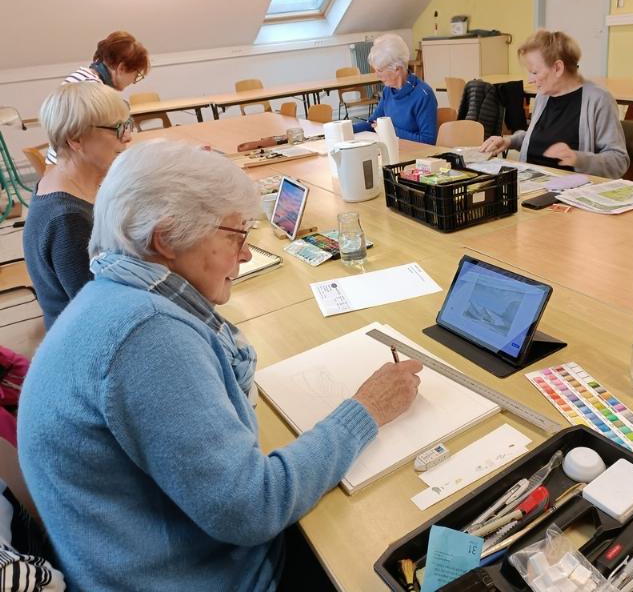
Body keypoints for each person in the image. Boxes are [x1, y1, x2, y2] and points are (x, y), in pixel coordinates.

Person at [17, 140, 423, 591]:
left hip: (147, 554)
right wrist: (365, 410)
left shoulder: (116, 294)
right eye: (236, 236)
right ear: (165, 238)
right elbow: (252, 509)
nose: (246, 254)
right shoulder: (147, 336)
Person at [22, 82, 132, 329]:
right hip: (86, 341)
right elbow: (102, 316)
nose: (127, 135)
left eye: (127, 124)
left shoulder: (60, 182)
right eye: (117, 128)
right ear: (75, 140)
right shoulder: (68, 220)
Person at [481, 30, 628, 179]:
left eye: (535, 72)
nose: (530, 80)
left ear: (558, 68)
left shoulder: (598, 99)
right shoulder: (543, 96)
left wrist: (579, 159)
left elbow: (619, 161)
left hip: (569, 191)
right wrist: (509, 141)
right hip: (531, 184)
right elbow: (539, 136)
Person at [45, 31, 149, 164]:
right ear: (121, 68)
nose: (134, 80)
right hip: (71, 167)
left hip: (62, 163)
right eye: (136, 74)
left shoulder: (83, 75)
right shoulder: (93, 89)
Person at [353, 33, 438, 144]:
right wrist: (347, 129)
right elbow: (373, 123)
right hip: (394, 150)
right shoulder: (389, 90)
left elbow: (428, 141)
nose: (377, 76)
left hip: (415, 155)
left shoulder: (423, 95)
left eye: (380, 70)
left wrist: (390, 131)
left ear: (397, 69)